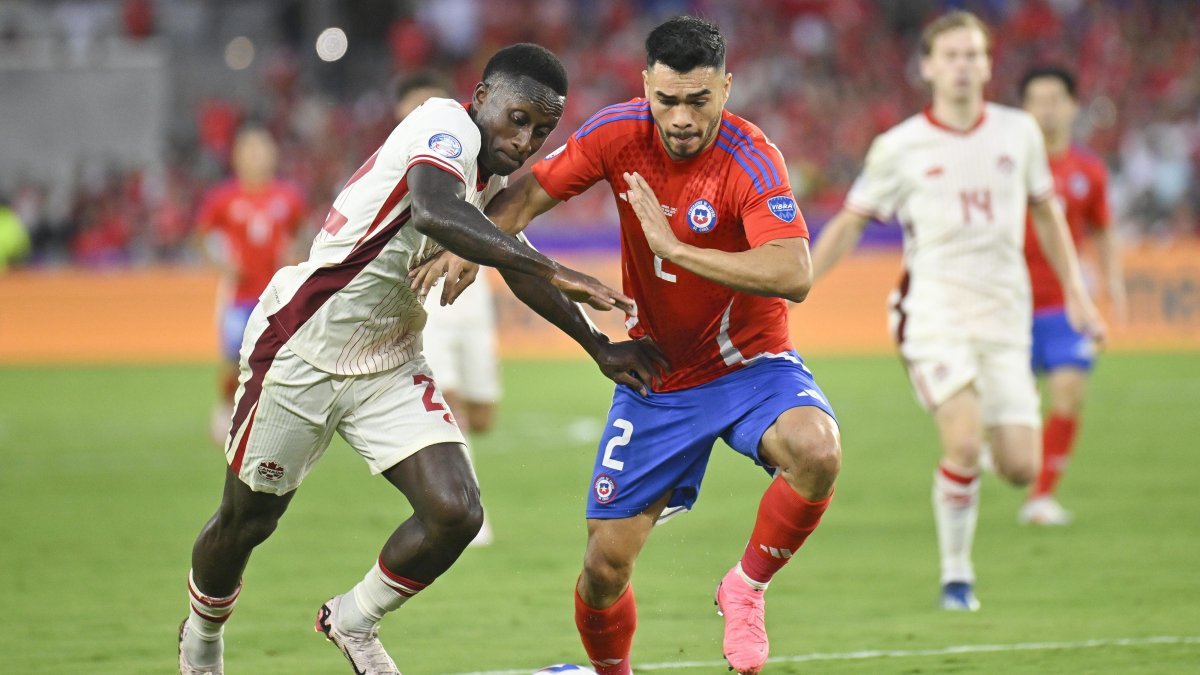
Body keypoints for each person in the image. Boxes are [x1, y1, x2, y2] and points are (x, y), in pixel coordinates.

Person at [178, 43, 661, 675]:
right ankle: (203, 639)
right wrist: (554, 266)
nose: (526, 141)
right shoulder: (444, 125)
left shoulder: (488, 175)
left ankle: (352, 619)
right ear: (482, 96)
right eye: (519, 119)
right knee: (248, 521)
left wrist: (598, 346)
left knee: (455, 511)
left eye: (542, 131)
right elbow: (435, 211)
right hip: (303, 345)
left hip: (389, 357)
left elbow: (511, 257)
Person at [413, 17, 840, 675]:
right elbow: (531, 194)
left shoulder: (752, 158)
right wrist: (475, 246)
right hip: (661, 372)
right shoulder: (617, 133)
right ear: (647, 87)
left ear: (726, 88)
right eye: (667, 100)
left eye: (699, 100)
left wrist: (676, 249)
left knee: (817, 449)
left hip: (752, 364)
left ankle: (746, 587)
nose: (682, 118)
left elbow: (794, 272)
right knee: (604, 566)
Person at [811, 11, 1105, 611]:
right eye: (951, 56)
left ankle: (988, 471)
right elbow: (851, 220)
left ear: (989, 66)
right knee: (965, 445)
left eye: (974, 55)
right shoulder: (899, 147)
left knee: (1021, 467)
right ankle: (956, 578)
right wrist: (803, 280)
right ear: (927, 67)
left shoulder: (1018, 133)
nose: (963, 66)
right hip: (935, 315)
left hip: (1004, 316)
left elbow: (1047, 212)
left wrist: (1076, 290)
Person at [396, 72, 502, 546]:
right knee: (448, 399)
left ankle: (453, 488)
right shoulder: (400, 163)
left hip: (473, 291)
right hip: (426, 292)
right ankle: (467, 510)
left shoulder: (471, 157)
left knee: (481, 414)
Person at [1018, 66, 1126, 526]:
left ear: (1072, 106)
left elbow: (1102, 230)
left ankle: (1041, 497)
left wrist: (1113, 282)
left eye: (1055, 98)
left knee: (1069, 391)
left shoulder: (1088, 171)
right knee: (1008, 407)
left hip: (1064, 304)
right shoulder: (1008, 168)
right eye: (1038, 99)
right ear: (1024, 109)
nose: (1047, 108)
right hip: (1008, 306)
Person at [194, 127, 308, 444]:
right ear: (237, 157)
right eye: (250, 150)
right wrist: (220, 264)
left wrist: (295, 255)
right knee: (233, 358)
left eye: (262, 149)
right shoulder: (223, 198)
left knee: (282, 357)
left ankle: (275, 416)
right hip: (238, 296)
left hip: (277, 295)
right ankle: (224, 408)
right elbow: (201, 235)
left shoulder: (288, 196)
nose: (257, 156)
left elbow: (302, 230)